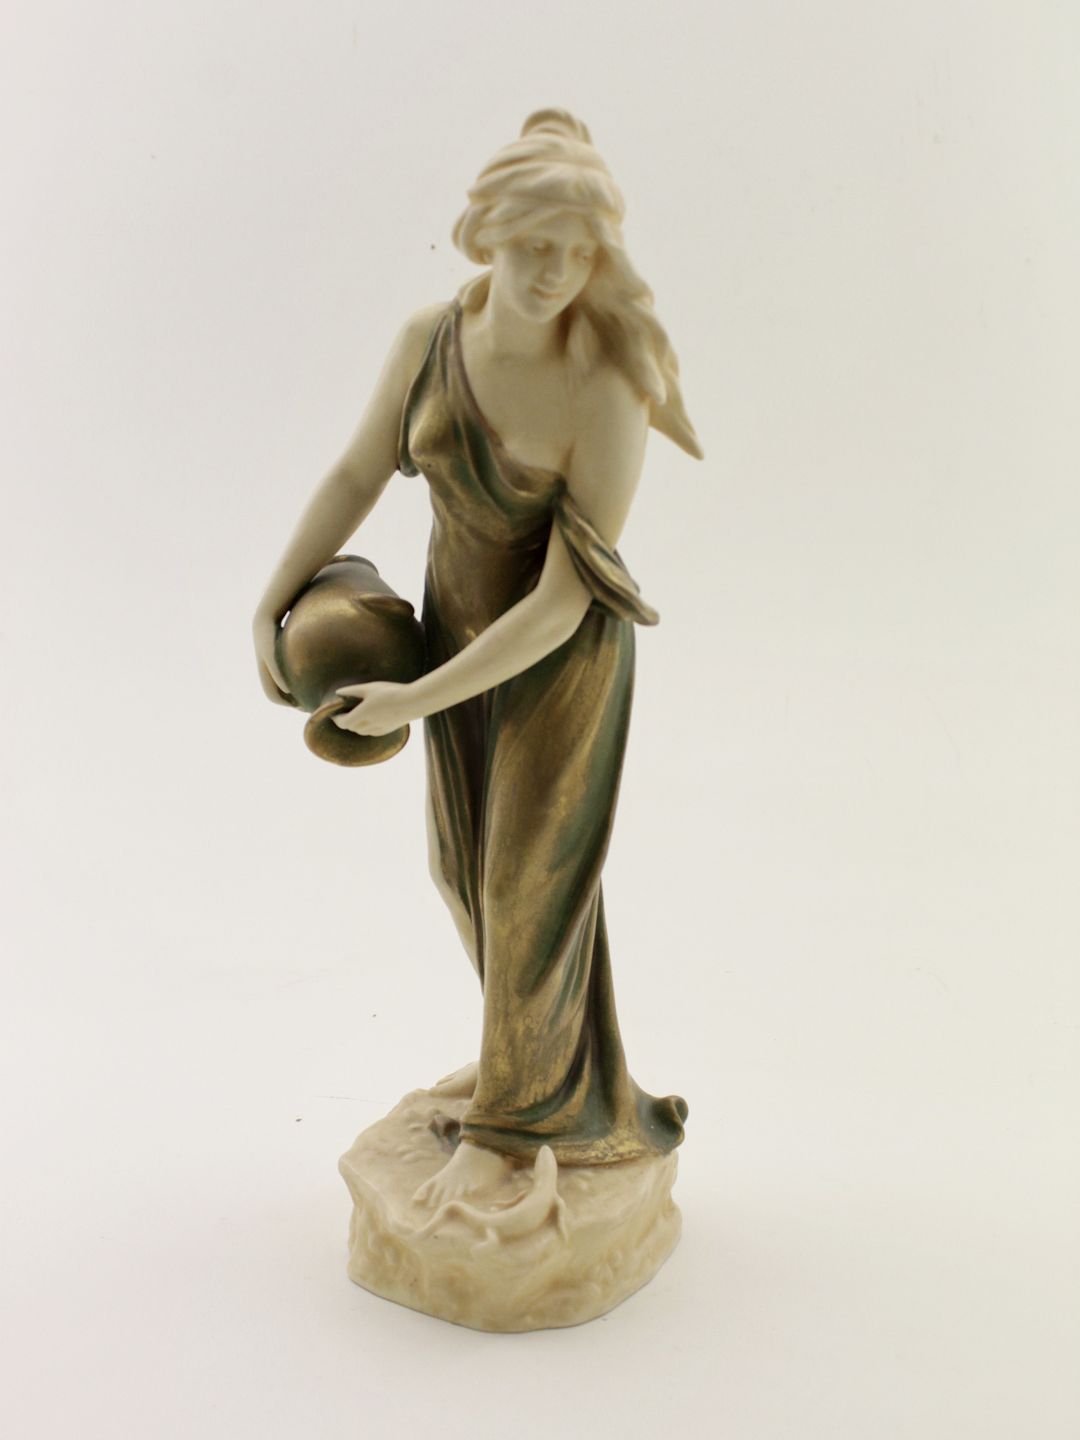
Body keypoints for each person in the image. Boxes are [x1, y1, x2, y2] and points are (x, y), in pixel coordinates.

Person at [253, 109, 702, 1208]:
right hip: (452, 631)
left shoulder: (609, 384)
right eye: (535, 244)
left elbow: (558, 603)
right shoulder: (431, 339)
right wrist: (272, 604)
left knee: (525, 891)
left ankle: (508, 1135)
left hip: (556, 665)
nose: (554, 272)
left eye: (578, 252)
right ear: (485, 231)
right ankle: (555, 1086)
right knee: (461, 874)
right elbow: (357, 473)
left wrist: (415, 694)